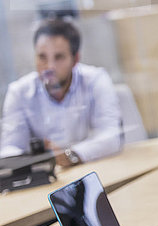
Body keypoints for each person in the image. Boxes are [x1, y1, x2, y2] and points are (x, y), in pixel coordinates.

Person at [0, 19, 122, 167]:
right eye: (42, 57)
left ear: (75, 59)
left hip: (92, 167)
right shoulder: (19, 92)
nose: (49, 67)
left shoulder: (96, 80)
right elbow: (10, 148)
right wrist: (31, 159)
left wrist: (71, 155)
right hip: (47, 175)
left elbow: (111, 136)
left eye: (59, 57)